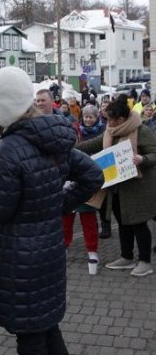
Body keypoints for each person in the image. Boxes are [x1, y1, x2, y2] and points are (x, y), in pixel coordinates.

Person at [0, 66, 103, 355]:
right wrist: (55, 206)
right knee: (47, 327)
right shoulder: (52, 139)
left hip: (20, 259)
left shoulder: (8, 149)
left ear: (7, 106)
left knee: (31, 340)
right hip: (49, 251)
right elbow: (92, 175)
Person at [78, 94, 156, 277]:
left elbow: (154, 153)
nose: (108, 123)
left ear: (121, 119)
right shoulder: (110, 131)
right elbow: (92, 145)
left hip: (139, 187)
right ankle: (126, 257)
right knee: (122, 222)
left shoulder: (141, 130)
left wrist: (143, 159)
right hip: (118, 188)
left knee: (138, 224)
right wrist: (70, 147)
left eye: (111, 120)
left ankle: (145, 262)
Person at [63, 104, 106, 273]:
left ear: (97, 118)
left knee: (88, 219)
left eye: (91, 117)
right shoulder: (75, 130)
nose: (88, 120)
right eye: (86, 116)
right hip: (70, 179)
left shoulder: (101, 133)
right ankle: (64, 245)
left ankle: (92, 251)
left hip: (89, 180)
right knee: (66, 218)